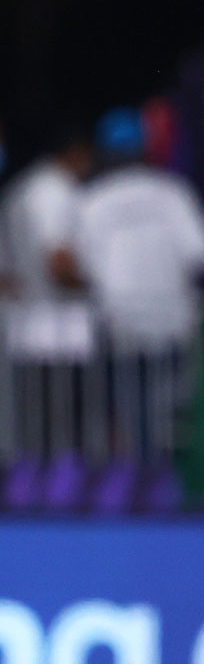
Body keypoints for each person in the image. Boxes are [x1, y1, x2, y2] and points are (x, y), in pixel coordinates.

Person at [76, 109, 204, 509]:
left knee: (131, 413)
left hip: (120, 323)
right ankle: (165, 486)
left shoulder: (92, 200)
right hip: (173, 323)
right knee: (171, 414)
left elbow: (84, 268)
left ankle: (141, 483)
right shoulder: (172, 193)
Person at [0, 129, 95, 508]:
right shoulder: (55, 192)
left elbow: (7, 277)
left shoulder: (19, 191)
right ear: (76, 152)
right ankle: (57, 493)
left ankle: (27, 490)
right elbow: (58, 264)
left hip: (24, 327)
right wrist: (102, 283)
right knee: (61, 424)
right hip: (61, 330)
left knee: (31, 423)